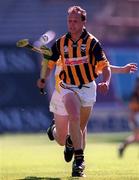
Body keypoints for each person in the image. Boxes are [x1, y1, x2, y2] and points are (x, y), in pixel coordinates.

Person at [37, 5, 111, 177]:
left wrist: (106, 81)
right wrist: (43, 79)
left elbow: (105, 66)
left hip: (87, 88)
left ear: (83, 22)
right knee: (74, 117)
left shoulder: (92, 43)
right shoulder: (61, 43)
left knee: (73, 133)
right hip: (67, 86)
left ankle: (68, 141)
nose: (71, 24)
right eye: (69, 21)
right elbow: (50, 64)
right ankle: (79, 162)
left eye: (75, 21)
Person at [118, 75, 139, 157]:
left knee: (136, 137)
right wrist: (134, 123)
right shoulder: (135, 97)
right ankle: (123, 146)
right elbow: (132, 112)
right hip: (135, 119)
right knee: (136, 137)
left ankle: (122, 146)